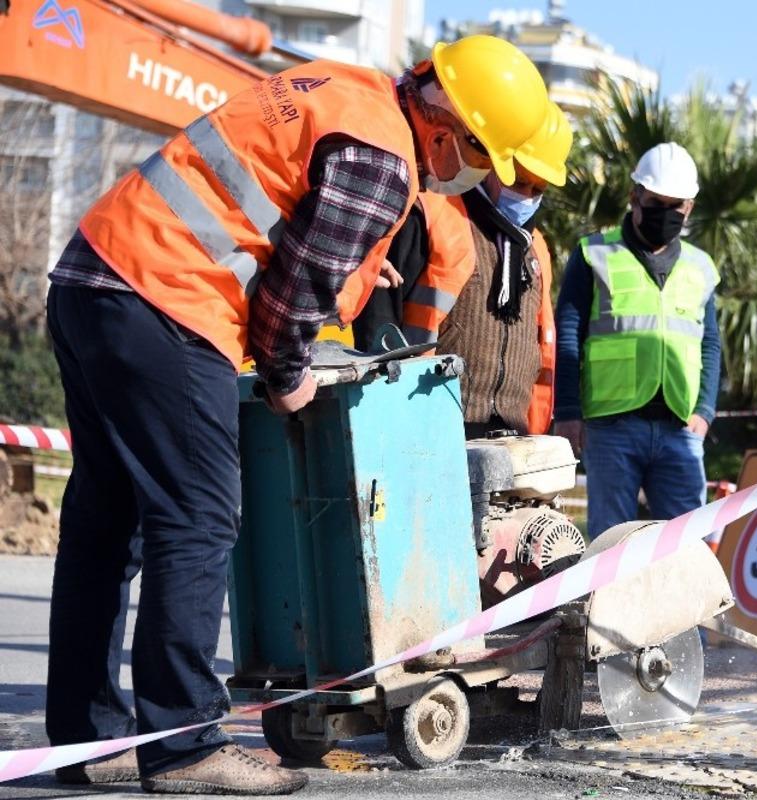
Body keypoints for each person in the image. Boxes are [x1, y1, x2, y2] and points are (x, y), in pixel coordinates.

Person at [44, 35, 548, 795]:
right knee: (200, 519)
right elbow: (294, 292)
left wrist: (345, 263)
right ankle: (184, 747)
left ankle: (88, 738)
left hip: (95, 276)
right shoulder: (386, 159)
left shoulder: (349, 91)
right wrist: (288, 375)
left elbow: (280, 213)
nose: (480, 176)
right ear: (450, 134)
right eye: (486, 159)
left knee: (105, 527)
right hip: (169, 302)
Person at [354, 103, 572, 437]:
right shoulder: (432, 213)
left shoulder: (535, 248)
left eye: (537, 190)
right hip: (427, 424)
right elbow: (378, 321)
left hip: (512, 436)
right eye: (519, 181)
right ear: (492, 163)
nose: (525, 197)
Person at [553, 143, 721, 539]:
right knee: (612, 544)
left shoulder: (700, 266)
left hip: (680, 426)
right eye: (654, 202)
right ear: (634, 198)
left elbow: (710, 344)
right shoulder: (594, 253)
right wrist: (568, 412)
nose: (665, 213)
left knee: (684, 547)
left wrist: (705, 411)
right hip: (611, 427)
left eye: (674, 206)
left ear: (689, 207)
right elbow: (569, 334)